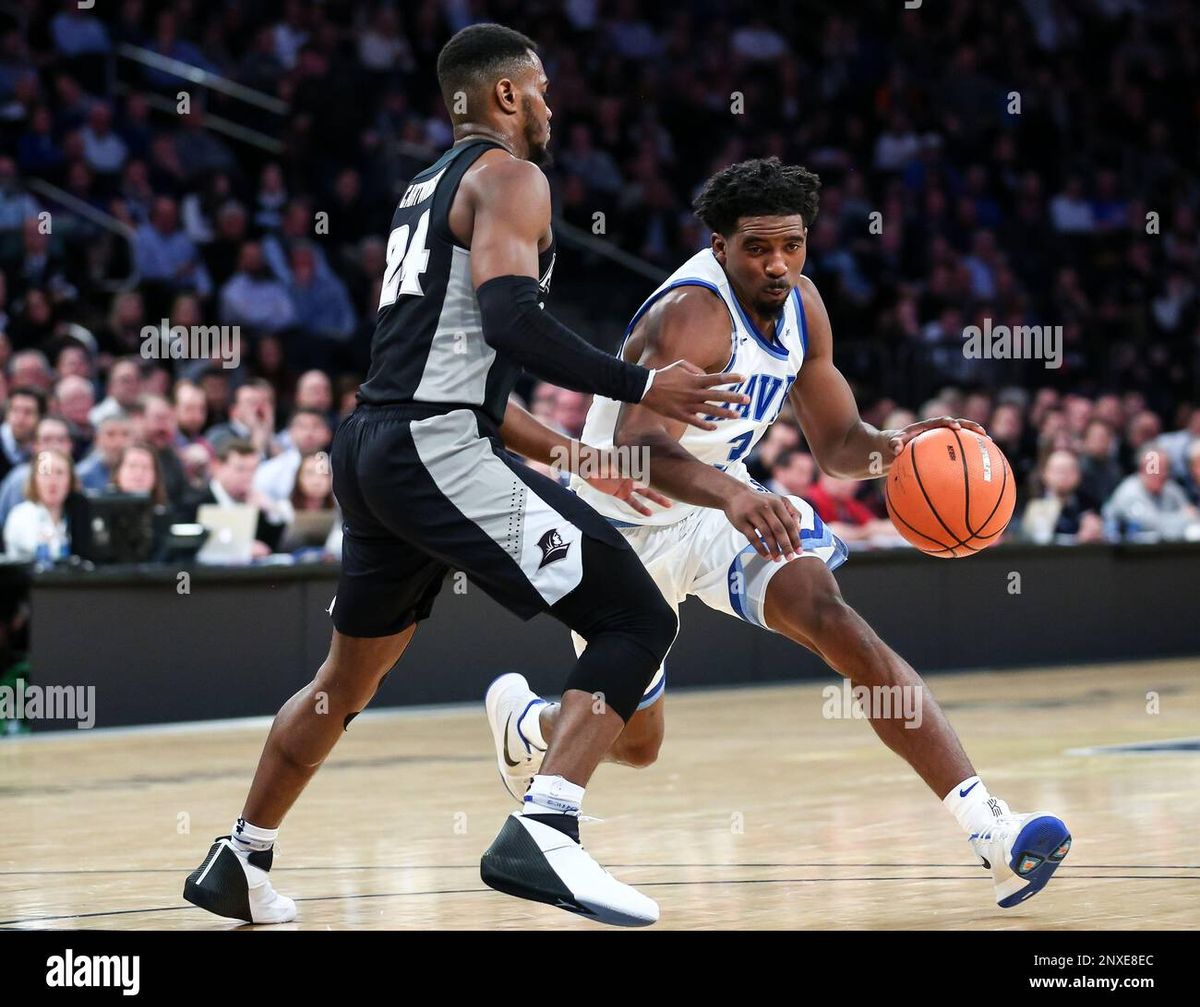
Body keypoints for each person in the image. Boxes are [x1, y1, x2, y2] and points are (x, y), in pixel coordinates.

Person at [182, 23, 747, 928]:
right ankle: (546, 828)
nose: (553, 105)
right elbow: (512, 325)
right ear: (507, 96)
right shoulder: (513, 177)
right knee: (636, 612)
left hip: (374, 444)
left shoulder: (422, 189)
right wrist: (643, 381)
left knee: (344, 679)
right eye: (544, 88)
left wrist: (571, 452)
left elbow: (454, 367)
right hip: (432, 451)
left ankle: (239, 857)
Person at [486, 157, 1072, 911]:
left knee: (836, 620)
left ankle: (990, 829)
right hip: (618, 523)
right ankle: (532, 725)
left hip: (713, 511)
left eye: (791, 246)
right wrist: (733, 491)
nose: (776, 264)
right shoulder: (694, 314)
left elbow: (835, 444)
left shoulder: (803, 305)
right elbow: (641, 445)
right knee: (638, 745)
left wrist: (899, 450)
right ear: (719, 245)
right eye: (757, 248)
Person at [3, 448, 76, 562]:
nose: (53, 480)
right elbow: (49, 555)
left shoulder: (78, 515)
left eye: (59, 472)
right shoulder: (20, 515)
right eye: (45, 473)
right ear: (34, 479)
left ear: (71, 480)